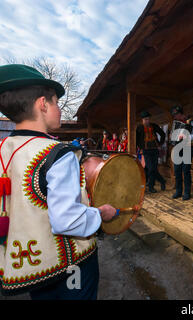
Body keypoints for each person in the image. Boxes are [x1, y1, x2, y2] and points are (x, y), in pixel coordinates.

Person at [0, 64, 117, 299]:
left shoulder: (4, 148)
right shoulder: (58, 154)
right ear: (43, 104)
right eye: (56, 103)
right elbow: (67, 220)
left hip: (31, 270)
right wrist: (101, 213)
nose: (60, 110)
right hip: (70, 268)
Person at [136, 110, 166, 193]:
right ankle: (156, 184)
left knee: (153, 169)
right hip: (146, 150)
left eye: (148, 119)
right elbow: (136, 139)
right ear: (142, 120)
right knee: (150, 168)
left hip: (155, 150)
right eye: (145, 119)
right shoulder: (139, 128)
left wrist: (160, 143)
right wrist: (139, 148)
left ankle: (155, 184)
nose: (147, 121)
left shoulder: (154, 126)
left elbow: (163, 134)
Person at [170, 105, 193, 200]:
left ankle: (187, 193)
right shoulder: (175, 123)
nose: (175, 117)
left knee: (186, 171)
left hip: (187, 148)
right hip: (177, 148)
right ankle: (179, 191)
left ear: (180, 114)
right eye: (174, 115)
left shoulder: (191, 122)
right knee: (177, 171)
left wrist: (185, 136)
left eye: (176, 115)